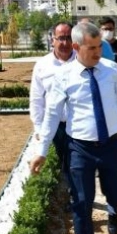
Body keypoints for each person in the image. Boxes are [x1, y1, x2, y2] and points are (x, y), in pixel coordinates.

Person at [30, 22, 117, 234]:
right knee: (81, 205)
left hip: (112, 145)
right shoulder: (63, 77)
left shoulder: (111, 69)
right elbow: (52, 114)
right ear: (77, 47)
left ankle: (114, 209)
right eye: (92, 48)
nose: (98, 52)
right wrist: (41, 151)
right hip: (80, 148)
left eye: (99, 46)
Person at [29, 22, 76, 183]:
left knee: (79, 164)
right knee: (64, 163)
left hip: (79, 124)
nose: (65, 42)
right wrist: (38, 126)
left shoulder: (82, 61)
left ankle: (78, 192)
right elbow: (36, 98)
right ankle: (71, 190)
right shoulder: (43, 65)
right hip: (56, 127)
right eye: (61, 38)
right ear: (53, 40)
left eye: (69, 38)